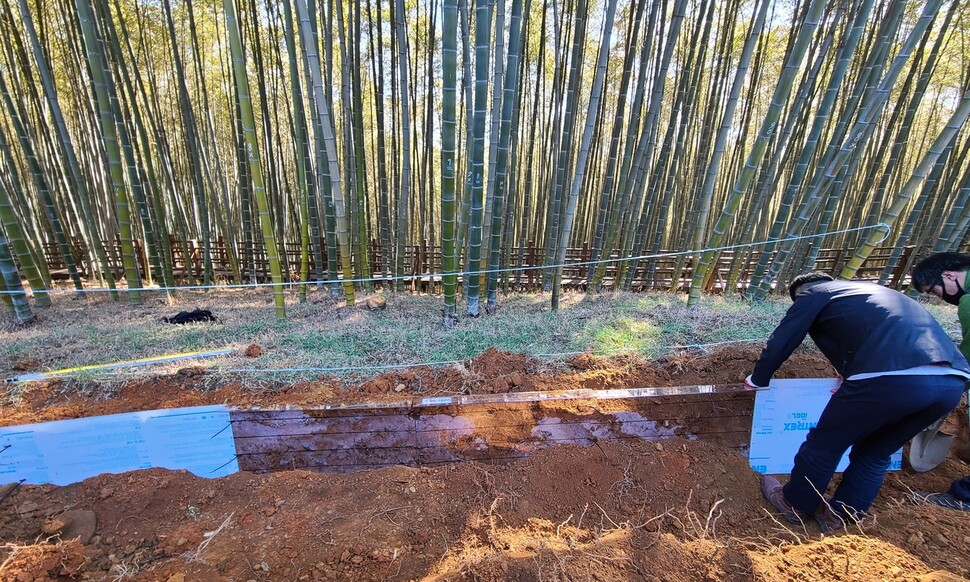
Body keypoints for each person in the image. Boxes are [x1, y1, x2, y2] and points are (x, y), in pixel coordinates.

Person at [746, 272, 970, 531]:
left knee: (825, 444)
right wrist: (852, 374)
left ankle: (794, 502)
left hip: (890, 379)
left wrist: (759, 378)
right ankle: (842, 517)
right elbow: (881, 336)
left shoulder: (813, 293)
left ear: (801, 293)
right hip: (951, 382)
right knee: (876, 452)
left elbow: (783, 340)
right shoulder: (878, 294)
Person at [911, 252, 970, 511]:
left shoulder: (968, 302)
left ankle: (963, 497)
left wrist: (952, 386)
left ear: (948, 275)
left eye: (934, 290)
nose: (940, 297)